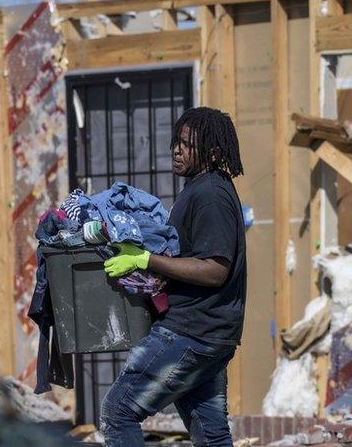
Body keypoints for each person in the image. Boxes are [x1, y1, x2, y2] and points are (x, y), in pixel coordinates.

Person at [99, 107, 246, 447]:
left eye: (187, 145)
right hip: (209, 334)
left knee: (118, 412)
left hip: (190, 332)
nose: (177, 150)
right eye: (176, 142)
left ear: (211, 152)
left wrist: (147, 259)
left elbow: (215, 269)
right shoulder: (203, 189)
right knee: (211, 434)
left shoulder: (210, 195)